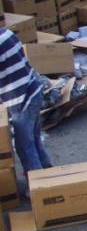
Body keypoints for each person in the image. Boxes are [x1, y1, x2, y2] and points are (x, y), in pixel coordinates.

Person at [0, 25, 53, 179]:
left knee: (24, 146)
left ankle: (38, 185)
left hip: (22, 98)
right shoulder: (6, 32)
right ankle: (48, 170)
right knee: (34, 138)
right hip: (34, 89)